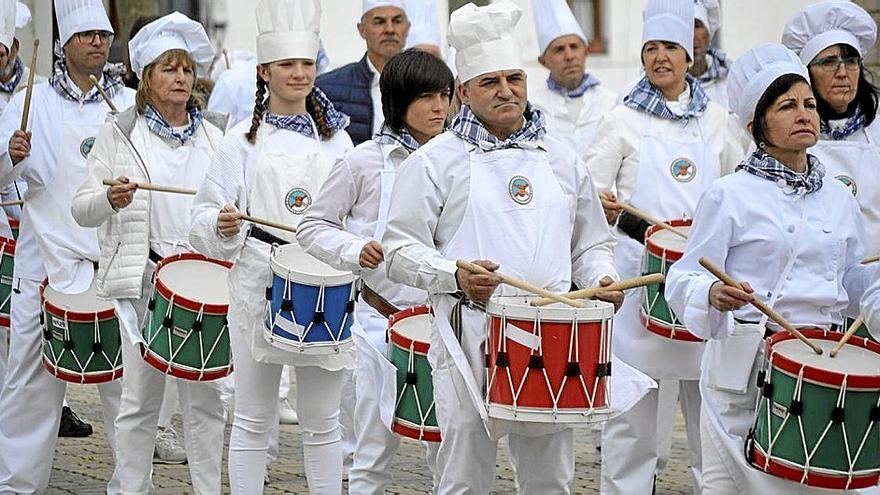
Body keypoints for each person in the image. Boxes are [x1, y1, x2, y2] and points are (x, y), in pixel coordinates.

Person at [382, 2, 653, 493]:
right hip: (468, 335)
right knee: (464, 476)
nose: (506, 90)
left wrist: (601, 279)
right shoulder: (433, 162)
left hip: (552, 331)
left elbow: (590, 243)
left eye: (514, 78)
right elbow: (399, 249)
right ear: (463, 92)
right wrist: (454, 275)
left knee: (550, 479)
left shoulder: (561, 158)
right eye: (489, 82)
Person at [666, 42, 877, 494]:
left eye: (807, 104)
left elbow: (857, 280)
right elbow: (684, 276)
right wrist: (711, 294)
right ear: (756, 126)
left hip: (821, 365)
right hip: (744, 374)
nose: (805, 114)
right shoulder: (729, 195)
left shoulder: (838, 197)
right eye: (787, 106)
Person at [189, 1, 353, 493]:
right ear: (264, 71)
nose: (299, 74)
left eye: (307, 64)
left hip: (326, 284)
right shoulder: (239, 142)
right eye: (287, 65)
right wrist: (221, 225)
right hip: (257, 284)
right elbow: (200, 215)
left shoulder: (340, 143)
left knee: (322, 419)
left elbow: (356, 216)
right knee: (254, 415)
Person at [585, 1, 744, 493]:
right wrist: (604, 205)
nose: (660, 58)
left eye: (670, 48)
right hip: (641, 281)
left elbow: (741, 187)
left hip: (705, 280)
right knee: (633, 409)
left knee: (709, 407)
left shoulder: (718, 120)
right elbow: (587, 192)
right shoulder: (621, 119)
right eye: (650, 48)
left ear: (690, 55)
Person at [70, 12, 227, 493]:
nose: (180, 78)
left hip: (202, 286)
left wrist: (227, 225)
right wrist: (109, 198)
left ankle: (205, 488)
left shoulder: (215, 139)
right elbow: (81, 209)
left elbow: (228, 213)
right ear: (146, 77)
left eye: (185, 69)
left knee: (204, 404)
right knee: (140, 403)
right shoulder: (119, 135)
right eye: (168, 68)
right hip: (143, 283)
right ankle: (130, 489)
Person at [297, 47, 451, 493]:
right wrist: (353, 247)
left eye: (444, 94)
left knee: (449, 449)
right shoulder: (362, 161)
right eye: (426, 96)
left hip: (442, 321)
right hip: (377, 320)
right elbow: (312, 224)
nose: (439, 106)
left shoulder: (460, 161)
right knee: (372, 448)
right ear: (399, 102)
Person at [0, 0, 135, 492]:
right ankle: (16, 484)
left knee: (128, 387)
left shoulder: (126, 106)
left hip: (112, 256)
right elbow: (2, 181)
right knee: (29, 379)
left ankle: (130, 482)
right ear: (63, 45)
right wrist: (8, 156)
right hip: (43, 256)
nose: (98, 42)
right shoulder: (30, 102)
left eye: (103, 34)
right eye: (87, 35)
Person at [783, 1, 880, 256]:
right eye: (829, 62)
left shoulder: (877, 130)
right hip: (815, 281)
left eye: (850, 61)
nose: (842, 73)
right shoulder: (783, 137)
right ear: (806, 73)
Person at [528, 0, 616, 160]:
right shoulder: (531, 109)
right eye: (559, 50)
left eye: (574, 46)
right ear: (543, 61)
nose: (569, 56)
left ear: (587, 51)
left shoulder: (612, 103)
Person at [316, 0, 409, 145]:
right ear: (362, 30)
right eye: (379, 22)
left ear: (407, 28)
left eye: (397, 21)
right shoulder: (327, 89)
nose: (390, 29)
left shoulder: (425, 86)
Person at [689, 0, 731, 109]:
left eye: (697, 25)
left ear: (708, 35)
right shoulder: (663, 85)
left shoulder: (731, 80)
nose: (692, 36)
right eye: (687, 26)